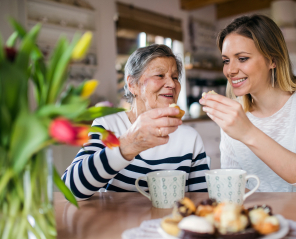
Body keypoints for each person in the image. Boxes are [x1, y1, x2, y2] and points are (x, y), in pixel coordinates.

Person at [200, 15, 296, 192]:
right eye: (226, 60)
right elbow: (234, 184)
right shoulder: (235, 110)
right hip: (261, 215)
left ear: (272, 60)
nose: (230, 70)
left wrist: (247, 132)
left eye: (242, 58)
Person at [62, 44, 209, 200]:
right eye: (160, 75)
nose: (172, 84)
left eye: (174, 77)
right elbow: (70, 190)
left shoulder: (190, 138)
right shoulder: (108, 126)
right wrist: (128, 145)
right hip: (117, 223)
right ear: (132, 84)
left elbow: (202, 200)